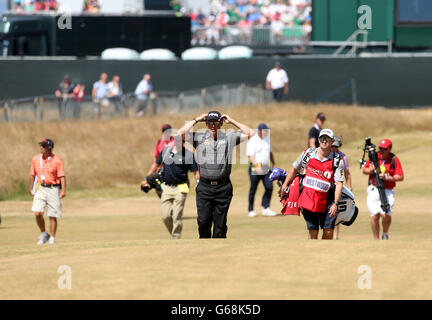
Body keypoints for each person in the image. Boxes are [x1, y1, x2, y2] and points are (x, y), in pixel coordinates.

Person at [178, 110, 253, 238]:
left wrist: (232, 121)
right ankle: (204, 247)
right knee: (203, 222)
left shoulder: (229, 137)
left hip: (223, 188)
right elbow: (179, 134)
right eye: (210, 122)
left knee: (220, 225)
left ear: (221, 124)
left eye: (216, 122)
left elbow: (251, 133)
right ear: (206, 124)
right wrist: (197, 119)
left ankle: (220, 254)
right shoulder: (199, 138)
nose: (213, 125)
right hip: (204, 187)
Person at [280, 129, 345, 240]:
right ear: (318, 140)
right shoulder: (308, 154)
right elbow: (294, 169)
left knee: (328, 230)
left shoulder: (337, 160)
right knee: (313, 231)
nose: (324, 141)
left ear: (332, 141)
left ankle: (324, 254)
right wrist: (285, 185)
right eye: (322, 138)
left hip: (328, 199)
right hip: (309, 198)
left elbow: (339, 184)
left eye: (327, 138)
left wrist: (335, 203)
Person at [142, 134, 200, 239]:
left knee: (177, 215)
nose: (178, 143)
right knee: (165, 216)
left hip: (181, 187)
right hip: (166, 187)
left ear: (184, 142)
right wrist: (146, 179)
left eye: (181, 141)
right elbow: (155, 164)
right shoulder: (165, 151)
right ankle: (173, 235)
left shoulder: (188, 154)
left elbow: (196, 172)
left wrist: (198, 183)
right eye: (176, 140)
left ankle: (176, 238)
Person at [362, 138, 404, 240]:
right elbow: (365, 170)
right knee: (375, 215)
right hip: (374, 189)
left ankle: (385, 233)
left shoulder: (394, 159)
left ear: (390, 148)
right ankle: (376, 239)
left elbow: (400, 176)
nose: (382, 151)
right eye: (380, 148)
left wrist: (387, 177)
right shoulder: (374, 156)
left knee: (386, 214)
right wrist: (370, 170)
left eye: (384, 149)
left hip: (388, 190)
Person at [29, 138, 66, 245]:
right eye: (41, 146)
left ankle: (52, 238)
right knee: (37, 212)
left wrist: (63, 190)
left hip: (53, 188)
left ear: (49, 148)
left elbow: (62, 176)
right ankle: (44, 233)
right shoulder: (36, 159)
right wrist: (31, 188)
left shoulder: (57, 160)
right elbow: (32, 174)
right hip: (40, 187)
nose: (41, 148)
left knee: (52, 215)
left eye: (44, 146)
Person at [247, 123, 276, 217]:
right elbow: (250, 156)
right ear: (260, 131)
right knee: (253, 189)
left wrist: (274, 163)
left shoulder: (267, 139)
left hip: (266, 167)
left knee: (269, 186)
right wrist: (256, 166)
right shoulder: (253, 140)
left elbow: (270, 152)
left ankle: (266, 208)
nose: (267, 132)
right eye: (265, 131)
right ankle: (251, 210)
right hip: (255, 167)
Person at [331, 136, 352, 240]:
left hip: (339, 187)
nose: (334, 148)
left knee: (337, 211)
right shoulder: (326, 155)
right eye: (332, 146)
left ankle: (335, 236)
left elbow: (347, 174)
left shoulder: (343, 157)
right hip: (328, 186)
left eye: (336, 146)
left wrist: (349, 188)